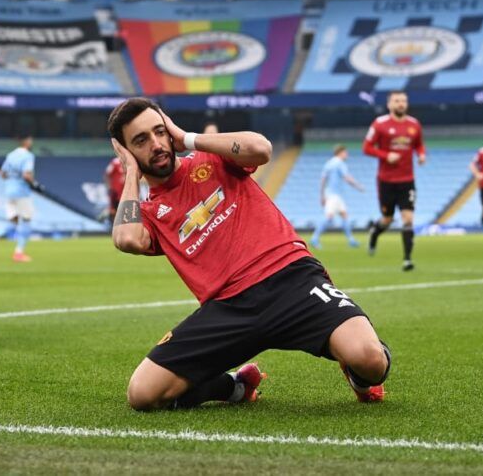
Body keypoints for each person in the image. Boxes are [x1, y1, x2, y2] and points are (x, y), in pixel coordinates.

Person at [107, 98, 391, 411]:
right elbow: (126, 238)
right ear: (126, 151)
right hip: (229, 310)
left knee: (370, 360)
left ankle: (357, 376)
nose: (157, 144)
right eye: (141, 140)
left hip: (292, 279)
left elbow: (261, 149)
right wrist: (131, 174)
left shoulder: (211, 160)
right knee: (142, 394)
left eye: (160, 131)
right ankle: (236, 387)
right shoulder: (148, 213)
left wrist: (187, 137)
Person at [363, 91, 425, 271]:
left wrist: (421, 155)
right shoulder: (379, 124)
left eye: (404, 101)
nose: (401, 104)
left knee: (408, 218)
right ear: (389, 104)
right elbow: (366, 147)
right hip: (386, 181)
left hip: (407, 180)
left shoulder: (414, 125)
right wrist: (385, 155)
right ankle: (375, 232)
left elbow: (419, 144)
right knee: (387, 219)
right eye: (397, 101)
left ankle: (407, 259)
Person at [0, 135, 37, 262]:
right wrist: (35, 184)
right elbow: (26, 174)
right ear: (27, 141)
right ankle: (19, 252)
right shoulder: (28, 156)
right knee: (27, 220)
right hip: (22, 192)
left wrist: (12, 178)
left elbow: (2, 174)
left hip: (9, 191)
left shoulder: (11, 155)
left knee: (14, 221)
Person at [310, 144, 364, 250]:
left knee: (344, 215)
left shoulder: (329, 163)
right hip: (334, 195)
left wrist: (322, 195)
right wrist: (358, 186)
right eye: (345, 152)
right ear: (340, 153)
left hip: (330, 194)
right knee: (329, 217)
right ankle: (314, 238)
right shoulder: (340, 163)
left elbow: (323, 180)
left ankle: (351, 240)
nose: (347, 155)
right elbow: (347, 177)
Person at [104, 155, 126, 223]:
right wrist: (109, 186)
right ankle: (112, 226)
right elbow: (107, 174)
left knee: (124, 210)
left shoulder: (130, 162)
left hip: (125, 191)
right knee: (113, 209)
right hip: (116, 191)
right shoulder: (115, 162)